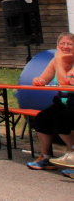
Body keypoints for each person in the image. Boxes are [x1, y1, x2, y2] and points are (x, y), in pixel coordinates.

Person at [26, 32, 74, 175]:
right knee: (42, 118)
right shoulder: (55, 60)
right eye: (62, 43)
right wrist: (39, 80)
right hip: (64, 101)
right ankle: (45, 158)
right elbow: (44, 78)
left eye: (70, 44)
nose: (65, 47)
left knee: (61, 119)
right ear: (57, 46)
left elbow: (65, 82)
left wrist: (59, 60)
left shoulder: (62, 60)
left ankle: (73, 156)